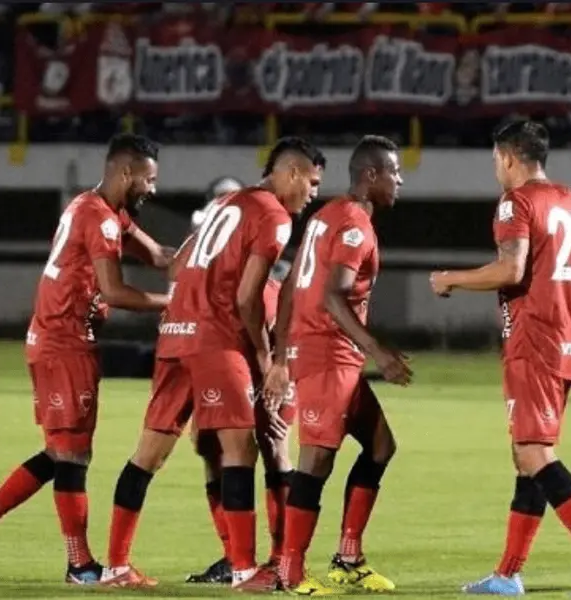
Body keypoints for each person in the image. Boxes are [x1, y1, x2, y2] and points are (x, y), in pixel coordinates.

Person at [100, 137, 324, 591]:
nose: (314, 194)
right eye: (314, 183)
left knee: (147, 455)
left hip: (174, 334)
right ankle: (244, 569)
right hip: (214, 339)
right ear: (293, 173)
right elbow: (247, 298)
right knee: (240, 449)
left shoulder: (224, 203)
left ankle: (115, 566)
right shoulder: (275, 217)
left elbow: (176, 266)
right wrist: (265, 361)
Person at [429, 119, 571, 598]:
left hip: (534, 341)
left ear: (508, 157)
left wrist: (451, 279)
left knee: (534, 454)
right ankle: (507, 574)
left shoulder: (515, 202)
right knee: (526, 459)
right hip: (567, 343)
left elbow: (511, 268)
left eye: (495, 159)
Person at [0, 134, 170, 584]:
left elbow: (158, 256)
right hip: (63, 343)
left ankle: (75, 561)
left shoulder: (96, 207)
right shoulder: (101, 219)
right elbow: (113, 291)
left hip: (63, 340)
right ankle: (80, 565)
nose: (153, 188)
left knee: (62, 451)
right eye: (148, 179)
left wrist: (207, 256)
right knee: (72, 455)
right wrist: (171, 302)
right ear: (125, 173)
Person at [264, 135, 409, 595]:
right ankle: (289, 571)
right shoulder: (354, 225)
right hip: (328, 353)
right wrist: (378, 351)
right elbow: (332, 295)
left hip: (325, 352)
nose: (400, 180)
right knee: (316, 461)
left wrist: (283, 354)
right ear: (371, 175)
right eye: (394, 172)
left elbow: (289, 289)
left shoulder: (325, 215)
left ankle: (348, 558)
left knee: (381, 446)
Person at [183, 176, 299, 585]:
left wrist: (277, 366)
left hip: (271, 360)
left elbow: (276, 309)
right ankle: (234, 556)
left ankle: (282, 558)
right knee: (209, 447)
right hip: (228, 357)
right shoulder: (209, 248)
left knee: (274, 447)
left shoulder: (269, 244)